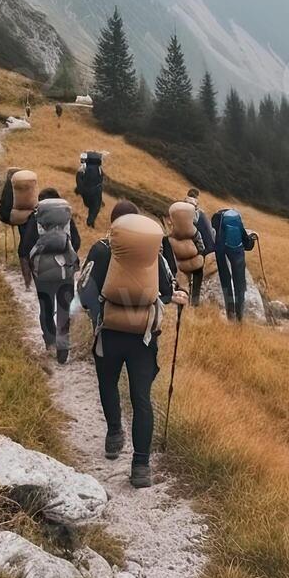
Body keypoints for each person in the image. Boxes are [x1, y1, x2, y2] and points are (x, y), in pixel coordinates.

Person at [79, 201, 189, 489]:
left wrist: (97, 313)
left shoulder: (103, 249)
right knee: (141, 398)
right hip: (144, 338)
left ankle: (114, 433)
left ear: (114, 225)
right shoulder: (155, 253)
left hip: (110, 334)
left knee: (107, 383)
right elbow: (168, 291)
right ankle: (141, 466)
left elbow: (85, 289)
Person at [19, 188, 82, 364]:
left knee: (46, 306)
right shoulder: (67, 220)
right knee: (63, 307)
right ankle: (63, 345)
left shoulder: (36, 219)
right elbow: (76, 241)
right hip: (65, 272)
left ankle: (50, 340)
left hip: (43, 273)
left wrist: (32, 268)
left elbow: (25, 247)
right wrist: (65, 257)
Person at [211, 207, 259, 322]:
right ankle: (239, 316)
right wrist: (252, 239)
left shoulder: (217, 221)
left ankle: (230, 313)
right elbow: (247, 244)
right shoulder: (236, 220)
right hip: (237, 253)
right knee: (239, 284)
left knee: (226, 282)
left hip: (221, 252)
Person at [182, 190, 216, 304]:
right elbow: (209, 236)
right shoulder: (201, 214)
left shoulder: (182, 212)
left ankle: (184, 298)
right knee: (197, 274)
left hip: (191, 249)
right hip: (204, 249)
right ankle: (194, 302)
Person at [76, 151, 107, 228]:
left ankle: (91, 223)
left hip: (86, 192)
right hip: (96, 192)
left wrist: (80, 190)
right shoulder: (99, 169)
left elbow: (78, 179)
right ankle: (90, 221)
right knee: (95, 207)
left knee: (90, 206)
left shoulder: (83, 167)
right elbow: (101, 181)